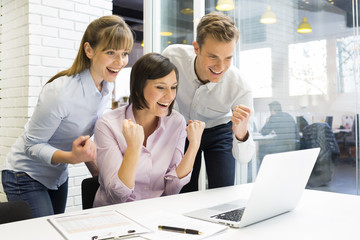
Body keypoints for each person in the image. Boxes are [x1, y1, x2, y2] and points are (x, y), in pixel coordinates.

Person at [1, 15, 134, 218]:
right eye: (111, 52)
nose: (120, 61)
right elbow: (32, 145)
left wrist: (100, 175)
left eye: (124, 53)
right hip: (25, 174)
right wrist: (71, 158)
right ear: (89, 50)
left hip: (56, 176)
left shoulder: (105, 87)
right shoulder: (61, 92)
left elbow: (81, 137)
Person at [93, 53, 205, 207]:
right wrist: (133, 148)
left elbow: (172, 189)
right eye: (160, 87)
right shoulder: (107, 125)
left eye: (173, 87)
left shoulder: (176, 122)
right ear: (138, 88)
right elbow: (117, 195)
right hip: (115, 216)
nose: (169, 96)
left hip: (155, 214)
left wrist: (194, 145)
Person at [162, 11, 255, 192]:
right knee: (183, 189)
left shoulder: (240, 86)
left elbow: (244, 158)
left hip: (220, 130)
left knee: (222, 192)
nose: (220, 67)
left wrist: (241, 133)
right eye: (213, 56)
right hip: (185, 129)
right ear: (196, 48)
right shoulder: (172, 58)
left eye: (228, 58)